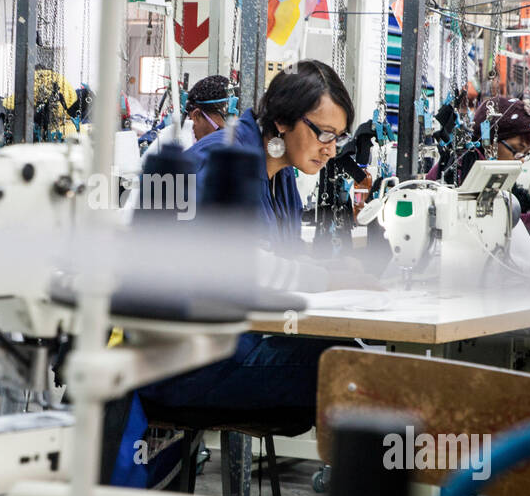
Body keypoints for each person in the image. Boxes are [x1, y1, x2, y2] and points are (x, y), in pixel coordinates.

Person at [123, 60, 358, 450]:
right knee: (349, 368)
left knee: (353, 356)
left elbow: (284, 261)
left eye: (339, 137)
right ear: (282, 121)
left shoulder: (281, 174)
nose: (332, 150)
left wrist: (339, 269)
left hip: (235, 345)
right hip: (183, 362)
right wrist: (330, 278)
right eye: (325, 134)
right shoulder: (218, 159)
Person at [431, 95, 530, 241]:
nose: (519, 161)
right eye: (516, 150)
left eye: (525, 154)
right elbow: (495, 223)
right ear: (491, 141)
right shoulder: (466, 167)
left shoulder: (481, 167)